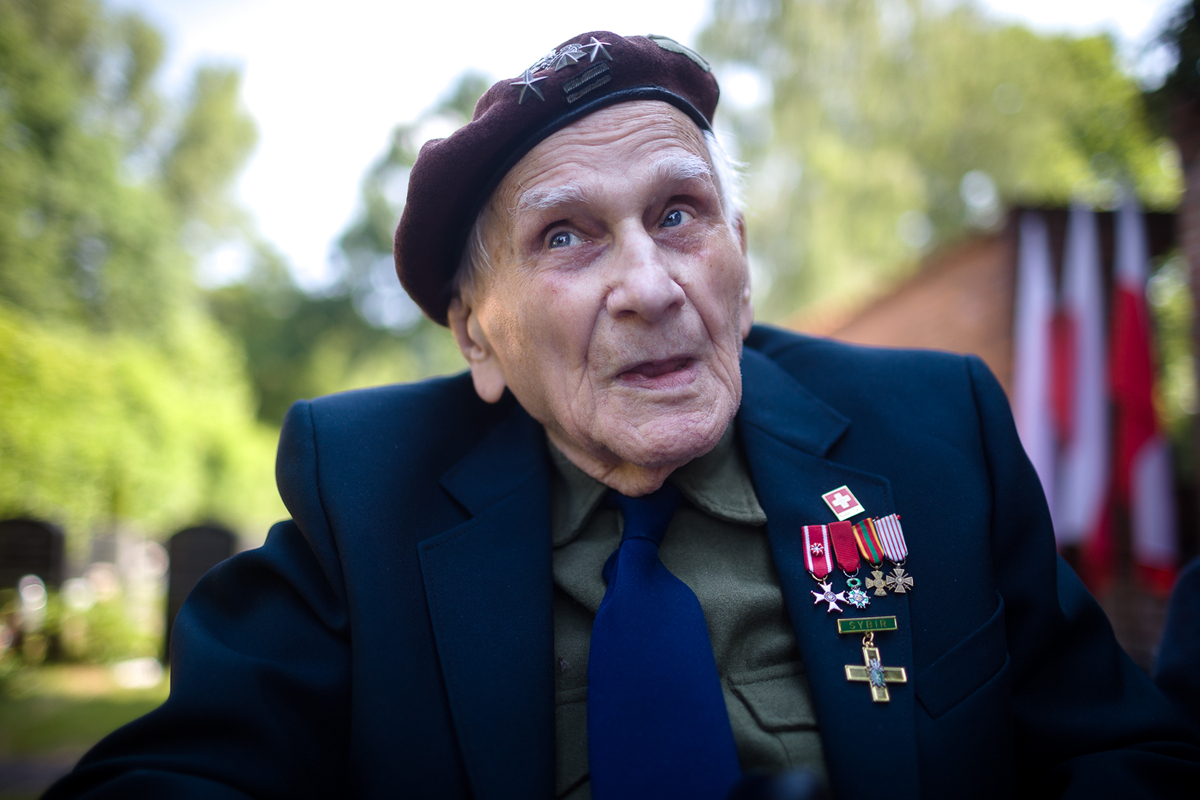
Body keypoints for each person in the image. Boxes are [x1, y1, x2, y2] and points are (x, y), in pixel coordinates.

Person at [46, 31, 1200, 800]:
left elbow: (1125, 752)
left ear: (741, 258)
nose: (650, 284)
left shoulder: (934, 434)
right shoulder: (369, 496)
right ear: (478, 336)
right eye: (567, 236)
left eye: (680, 213)